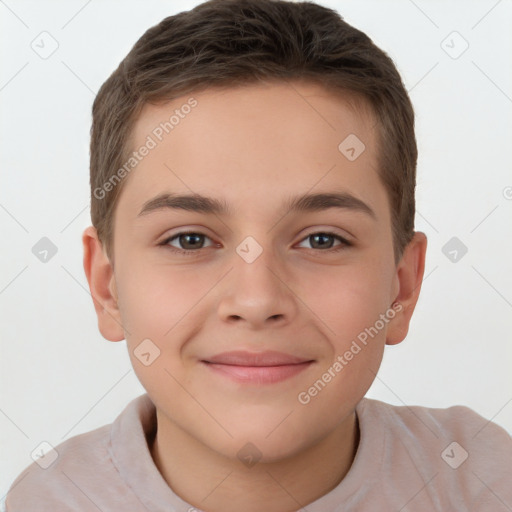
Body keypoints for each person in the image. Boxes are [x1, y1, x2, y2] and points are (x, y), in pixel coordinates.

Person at [5, 0, 511, 510]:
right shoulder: (48, 500)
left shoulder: (481, 481)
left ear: (401, 288)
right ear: (106, 286)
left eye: (322, 240)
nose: (256, 299)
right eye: (190, 240)